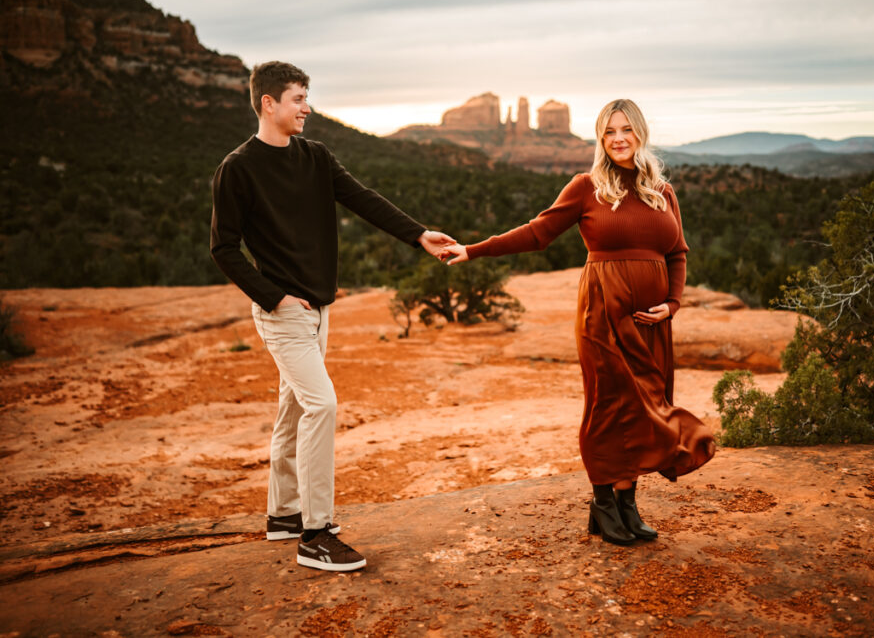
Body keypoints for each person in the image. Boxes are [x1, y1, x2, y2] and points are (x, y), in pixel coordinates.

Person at [210, 61, 455, 571]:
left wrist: (417, 234)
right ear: (268, 104)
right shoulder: (238, 168)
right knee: (322, 405)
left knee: (295, 410)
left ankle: (283, 515)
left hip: (318, 310)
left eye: (307, 97)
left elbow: (363, 199)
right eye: (299, 99)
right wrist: (273, 297)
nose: (308, 108)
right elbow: (223, 248)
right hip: (284, 314)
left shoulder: (316, 157)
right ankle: (315, 534)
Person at [447, 99, 716, 545]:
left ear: (640, 133)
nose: (619, 139)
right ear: (600, 138)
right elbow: (537, 233)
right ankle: (603, 501)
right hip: (602, 312)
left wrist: (673, 303)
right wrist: (473, 249)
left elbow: (677, 253)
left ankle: (627, 504)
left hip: (652, 323)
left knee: (645, 403)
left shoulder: (662, 192)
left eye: (626, 130)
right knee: (609, 403)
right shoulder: (586, 186)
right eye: (609, 132)